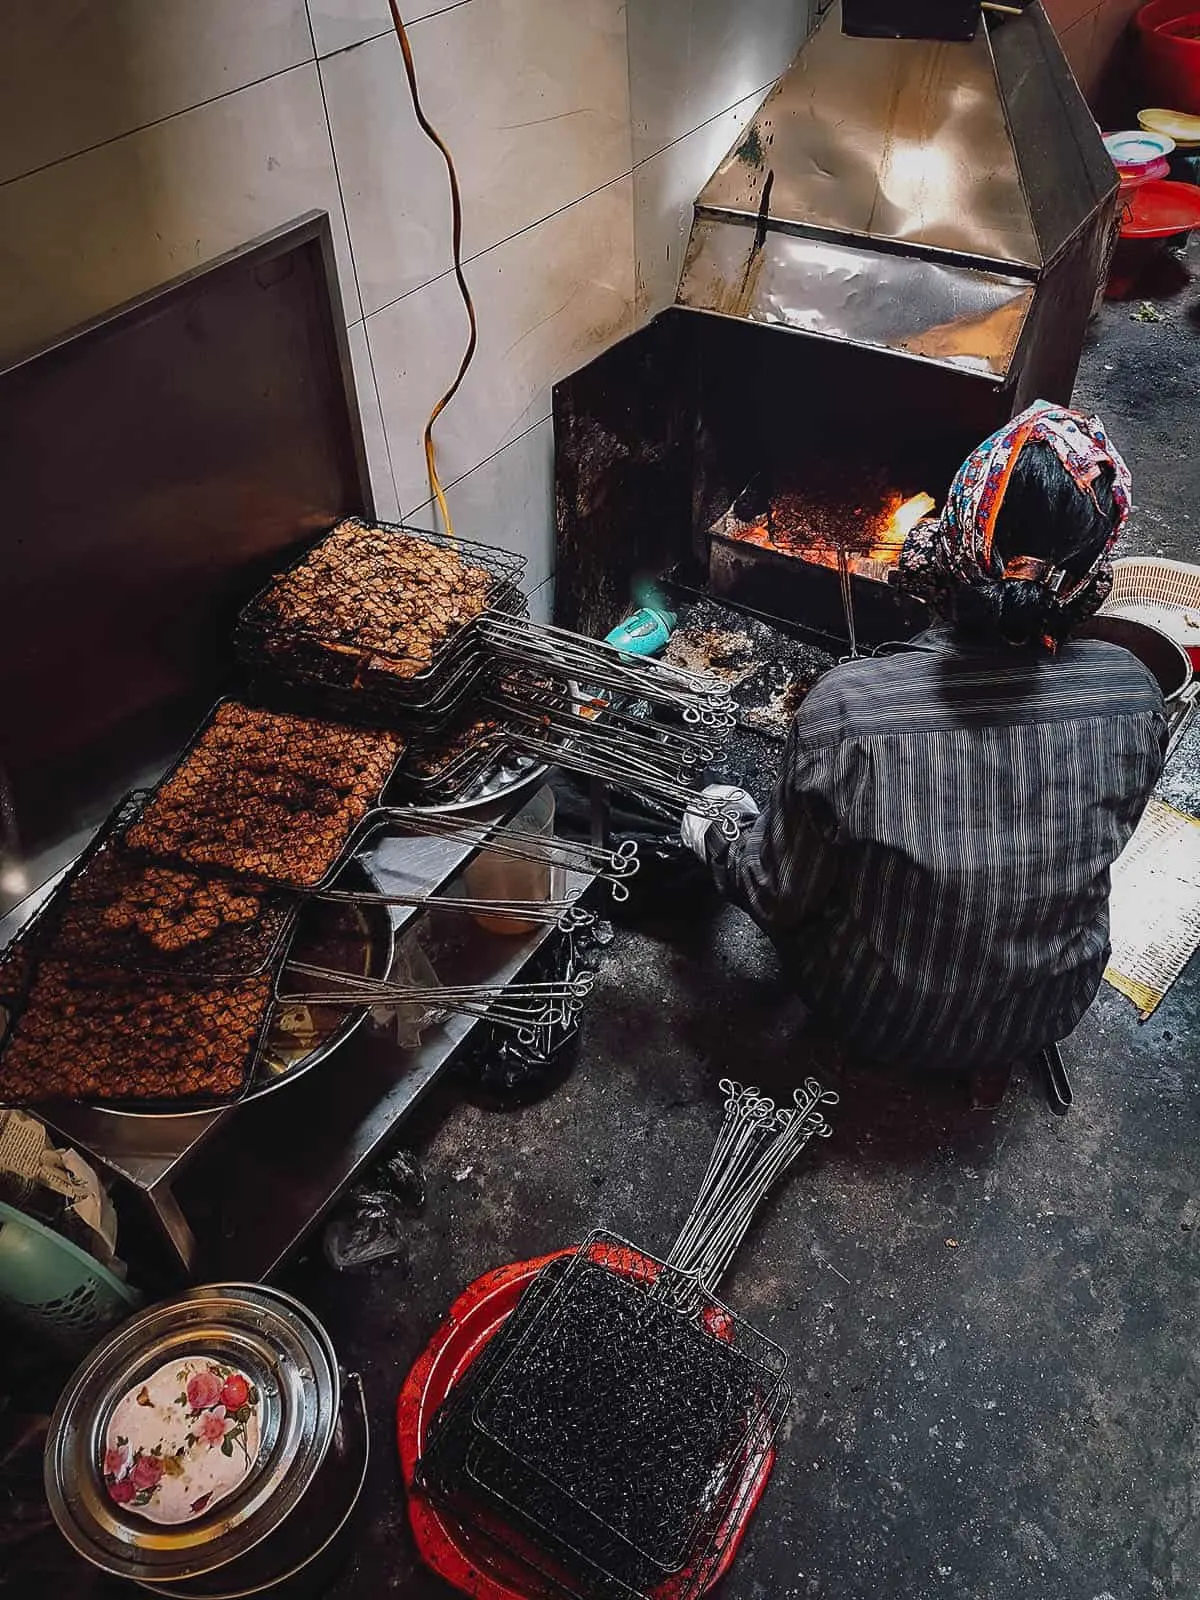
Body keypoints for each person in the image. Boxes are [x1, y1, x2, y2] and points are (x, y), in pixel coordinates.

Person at [681, 402, 1167, 1081]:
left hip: (877, 1015)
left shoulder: (850, 710)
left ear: (956, 539)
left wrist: (719, 829)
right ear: (1092, 573)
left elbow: (777, 893)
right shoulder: (1134, 694)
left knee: (771, 840)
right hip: (1051, 1004)